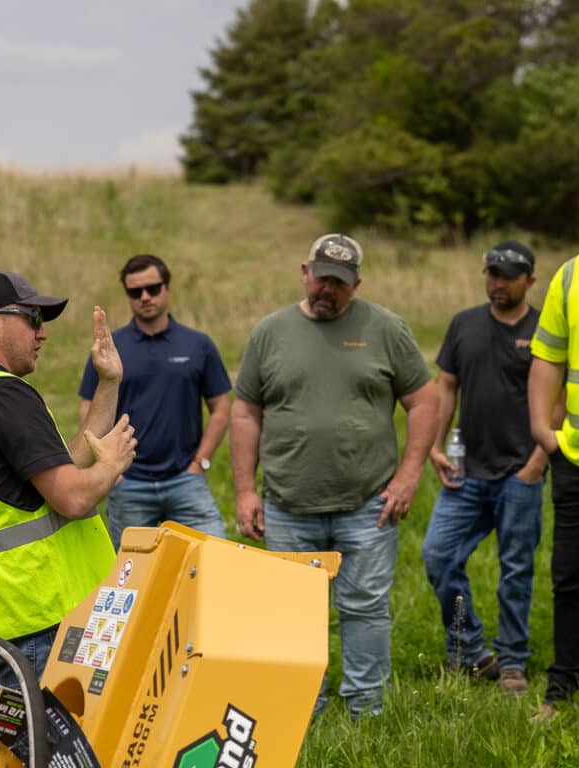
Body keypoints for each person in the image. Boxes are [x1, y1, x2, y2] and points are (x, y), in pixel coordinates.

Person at [230, 234, 438, 718]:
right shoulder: (269, 332)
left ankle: (366, 708)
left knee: (365, 606)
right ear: (304, 271)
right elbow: (246, 413)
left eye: (340, 284)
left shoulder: (387, 328)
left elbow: (424, 401)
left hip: (367, 502)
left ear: (356, 284)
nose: (328, 290)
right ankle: (303, 705)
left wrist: (409, 475)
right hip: (287, 503)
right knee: (293, 613)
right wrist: (244, 489)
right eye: (321, 278)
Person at [0, 271, 137, 690]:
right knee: (63, 753)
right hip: (40, 616)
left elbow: (65, 466)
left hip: (1, 617)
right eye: (32, 319)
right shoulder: (4, 394)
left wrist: (108, 381)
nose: (42, 335)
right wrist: (111, 465)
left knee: (28, 750)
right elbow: (74, 497)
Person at [421, 240, 547, 695]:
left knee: (516, 569)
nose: (498, 283)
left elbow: (559, 398)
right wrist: (436, 445)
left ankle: (513, 660)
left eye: (509, 276)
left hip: (520, 472)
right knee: (438, 556)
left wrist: (537, 462)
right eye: (492, 274)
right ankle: (469, 650)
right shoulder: (464, 325)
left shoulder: (544, 328)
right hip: (465, 472)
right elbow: (447, 387)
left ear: (530, 280)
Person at [78, 253, 231, 549]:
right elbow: (89, 410)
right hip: (128, 482)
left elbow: (221, 409)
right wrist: (111, 469)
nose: (145, 297)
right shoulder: (110, 348)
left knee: (214, 559)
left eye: (153, 289)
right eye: (135, 292)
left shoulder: (198, 344)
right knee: (130, 577)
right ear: (128, 296)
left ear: (167, 288)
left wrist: (201, 462)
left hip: (186, 479)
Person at [529, 176, 579, 719]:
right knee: (572, 581)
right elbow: (547, 359)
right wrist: (542, 428)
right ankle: (565, 691)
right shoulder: (571, 274)